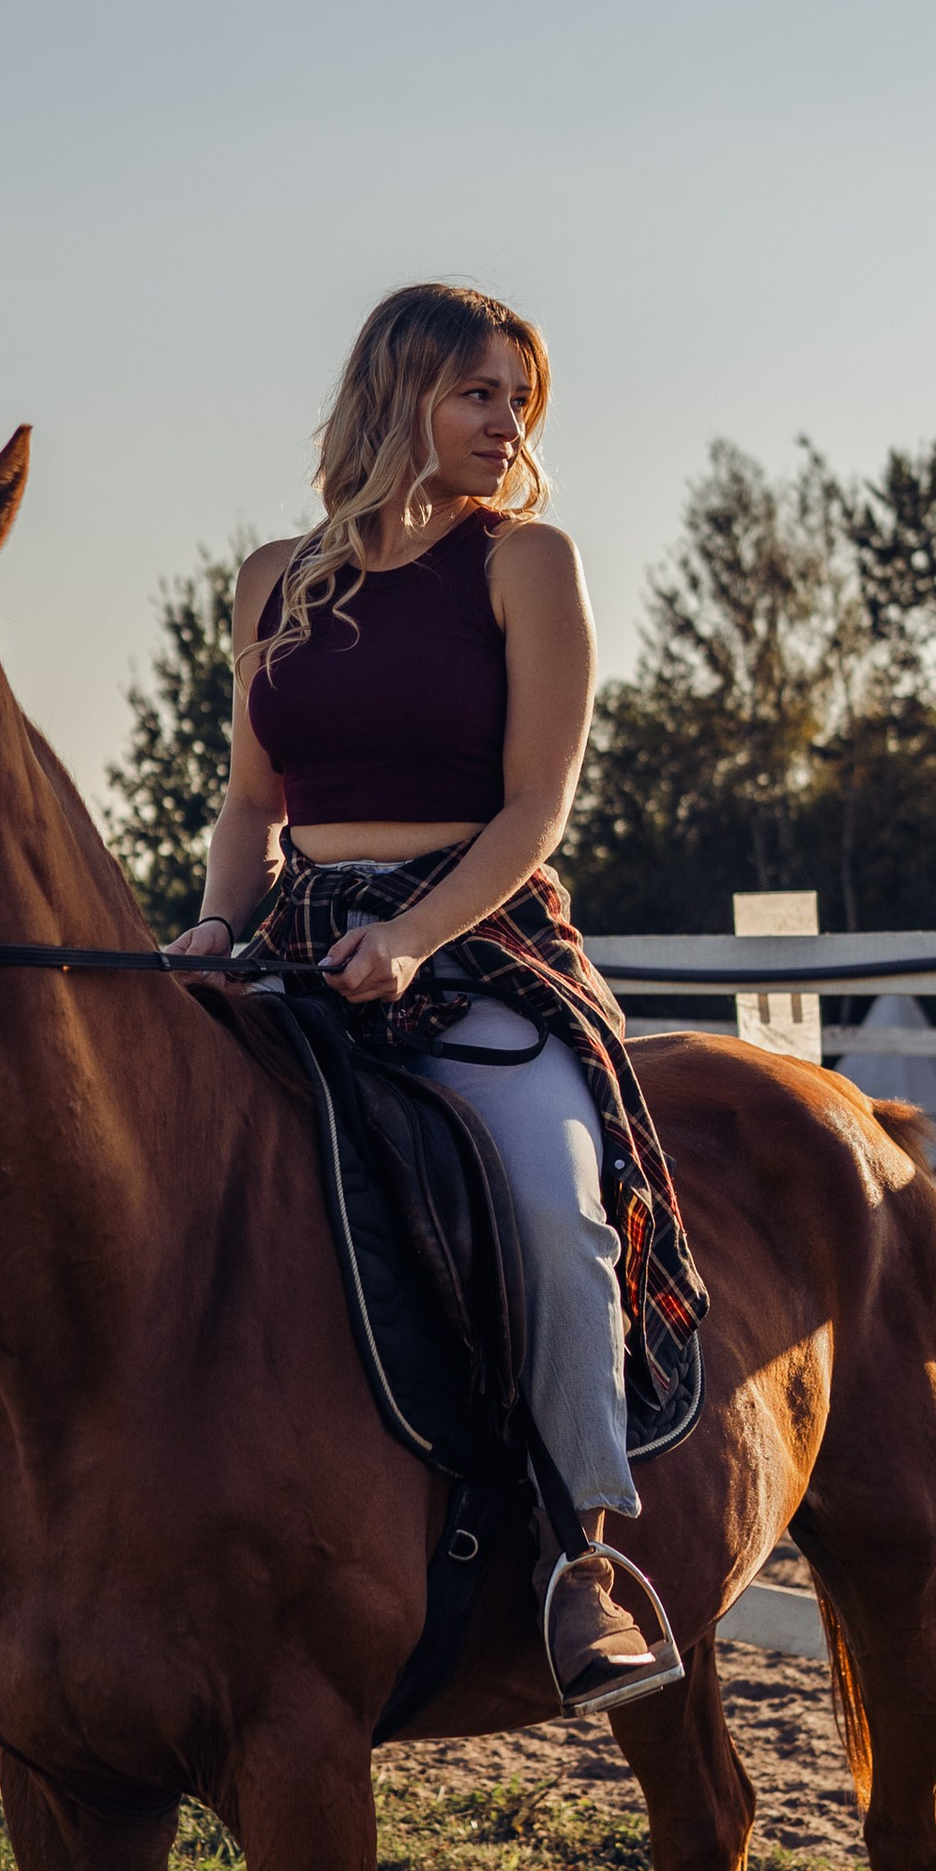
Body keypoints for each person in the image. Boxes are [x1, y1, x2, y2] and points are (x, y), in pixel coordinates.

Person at [164, 281, 709, 1710]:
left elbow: (536, 810)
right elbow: (243, 802)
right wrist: (216, 922)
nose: (506, 422)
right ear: (399, 394)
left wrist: (411, 933)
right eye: (480, 392)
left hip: (480, 937)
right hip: (297, 934)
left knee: (546, 1190)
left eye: (519, 398)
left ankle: (584, 1558)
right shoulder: (272, 578)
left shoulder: (526, 564)